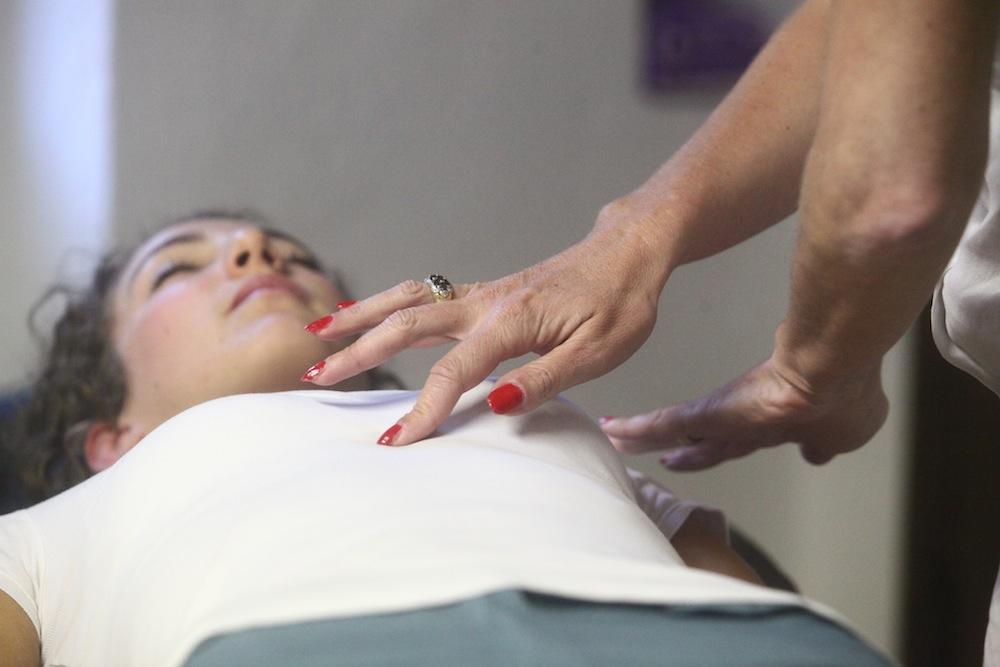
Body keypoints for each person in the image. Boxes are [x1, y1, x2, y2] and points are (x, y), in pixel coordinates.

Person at [297, 4, 999, 661]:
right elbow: (860, 30)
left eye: (293, 255)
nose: (255, 257)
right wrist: (631, 236)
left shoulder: (543, 439)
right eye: (195, 259)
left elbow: (890, 191)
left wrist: (815, 372)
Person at [0, 213, 890, 666]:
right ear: (111, 435)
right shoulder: (55, 529)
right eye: (177, 268)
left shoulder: (522, 413)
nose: (255, 251)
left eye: (292, 254)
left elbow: (735, 597)